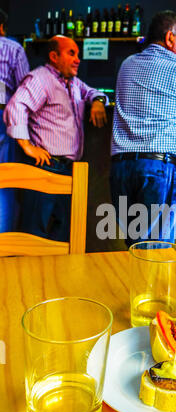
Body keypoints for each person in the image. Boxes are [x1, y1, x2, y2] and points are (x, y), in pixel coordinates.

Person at [110, 10, 176, 247]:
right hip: (158, 168)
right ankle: (148, 286)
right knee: (155, 249)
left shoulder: (127, 64)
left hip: (121, 168)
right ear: (169, 39)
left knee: (135, 245)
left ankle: (136, 285)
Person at [4, 35, 108, 241]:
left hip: (69, 169)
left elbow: (93, 92)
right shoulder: (40, 78)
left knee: (64, 235)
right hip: (45, 166)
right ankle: (28, 274)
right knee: (34, 234)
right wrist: (26, 145)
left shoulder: (74, 82)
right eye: (71, 53)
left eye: (78, 54)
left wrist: (97, 101)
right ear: (54, 56)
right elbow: (16, 106)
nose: (78, 59)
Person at [0, 8, 30, 232]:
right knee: (5, 181)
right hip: (3, 116)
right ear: (2, 27)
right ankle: (4, 243)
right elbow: (24, 88)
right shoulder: (13, 48)